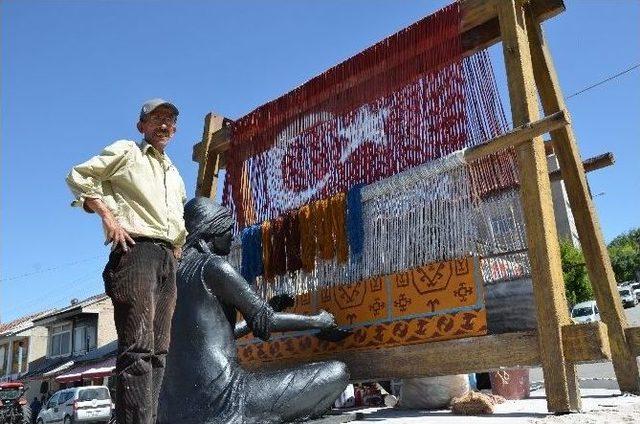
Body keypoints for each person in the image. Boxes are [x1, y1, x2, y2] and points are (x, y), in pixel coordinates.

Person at [157, 197, 349, 424]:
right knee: (338, 372)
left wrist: (260, 315)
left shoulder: (171, 277)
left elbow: (214, 335)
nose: (232, 236)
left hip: (177, 409)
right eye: (228, 229)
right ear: (210, 232)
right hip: (227, 399)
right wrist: (320, 321)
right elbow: (267, 321)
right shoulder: (213, 266)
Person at [66, 99, 187, 424]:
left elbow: (178, 219)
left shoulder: (174, 172)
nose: (164, 125)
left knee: (160, 351)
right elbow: (79, 176)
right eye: (157, 118)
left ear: (174, 129)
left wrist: (177, 248)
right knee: (137, 347)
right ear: (142, 126)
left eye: (170, 120)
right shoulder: (127, 151)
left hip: (166, 259)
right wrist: (107, 216)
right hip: (137, 252)